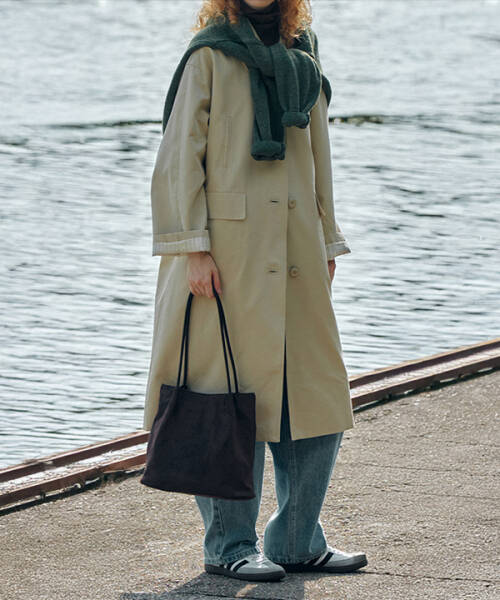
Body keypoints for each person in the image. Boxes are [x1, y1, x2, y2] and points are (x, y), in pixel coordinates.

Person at [143, 0, 368, 582]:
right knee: (225, 402)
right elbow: (178, 157)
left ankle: (296, 541)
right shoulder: (210, 55)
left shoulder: (303, 53)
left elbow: (318, 152)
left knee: (316, 400)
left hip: (297, 249)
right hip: (226, 256)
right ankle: (230, 545)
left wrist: (326, 240)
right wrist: (192, 248)